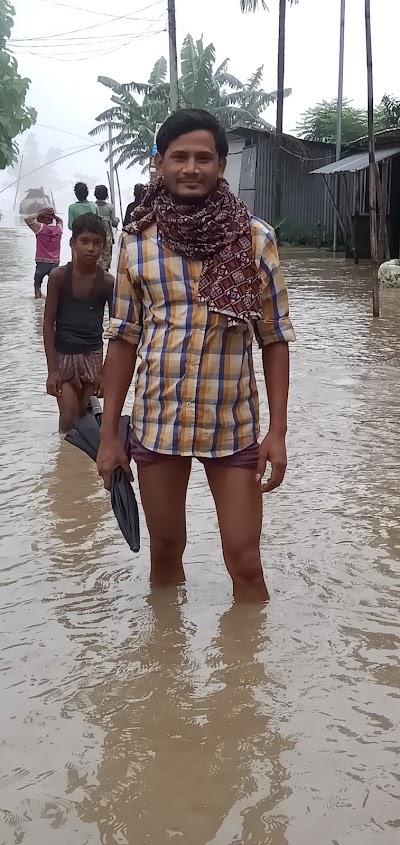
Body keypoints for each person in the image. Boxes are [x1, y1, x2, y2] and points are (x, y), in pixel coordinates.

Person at [97, 109, 295, 603]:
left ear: (221, 165)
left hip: (232, 425)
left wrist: (278, 432)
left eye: (203, 157)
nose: (191, 167)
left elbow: (273, 338)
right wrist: (108, 436)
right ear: (158, 164)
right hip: (157, 421)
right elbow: (122, 338)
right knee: (164, 551)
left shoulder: (255, 239)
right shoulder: (136, 241)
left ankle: (247, 673)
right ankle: (167, 670)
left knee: (245, 560)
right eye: (179, 156)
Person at [43, 213, 114, 433]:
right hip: (64, 355)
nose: (91, 248)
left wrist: (105, 372)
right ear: (73, 242)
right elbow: (48, 323)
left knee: (85, 416)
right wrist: (52, 370)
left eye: (97, 243)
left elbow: (115, 329)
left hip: (93, 356)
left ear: (104, 246)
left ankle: (81, 465)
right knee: (69, 417)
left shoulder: (108, 283)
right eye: (85, 241)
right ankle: (63, 463)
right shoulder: (58, 277)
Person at [24, 206, 63, 299]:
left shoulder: (40, 229)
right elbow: (60, 220)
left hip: (42, 262)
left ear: (44, 219)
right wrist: (54, 216)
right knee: (54, 286)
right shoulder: (59, 230)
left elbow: (27, 219)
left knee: (37, 284)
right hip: (55, 262)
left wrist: (39, 213)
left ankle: (37, 305)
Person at [94, 184, 119, 271]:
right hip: (107, 238)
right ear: (106, 194)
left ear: (95, 194)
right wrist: (117, 220)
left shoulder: (93, 206)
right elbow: (114, 223)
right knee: (105, 264)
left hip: (95, 236)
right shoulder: (110, 207)